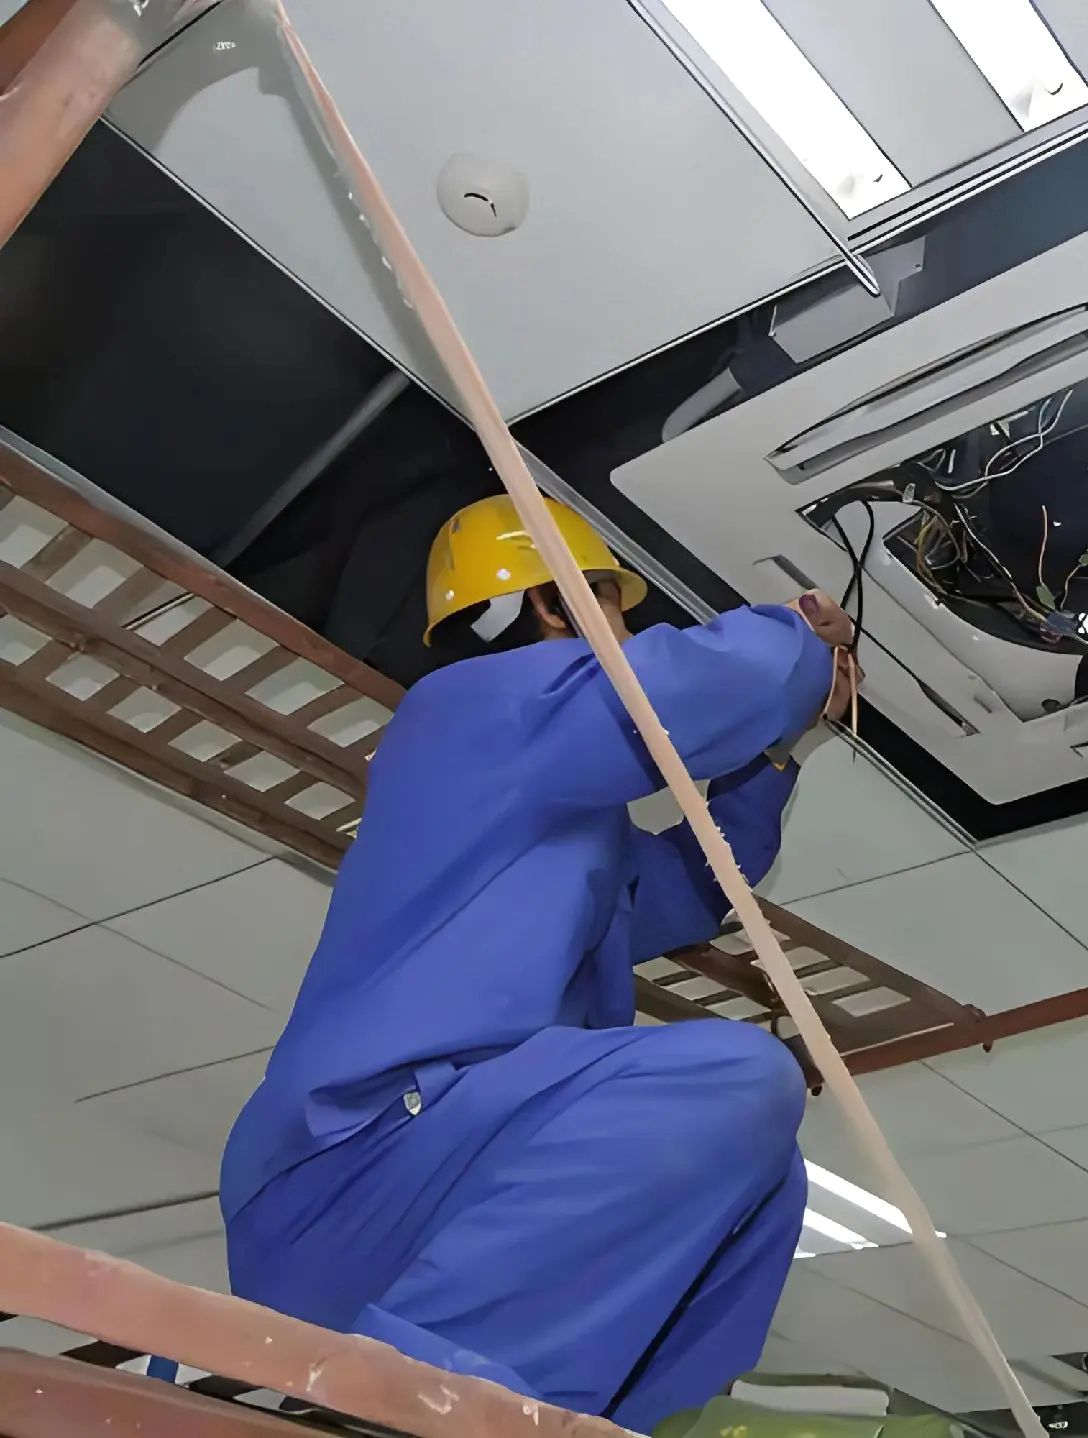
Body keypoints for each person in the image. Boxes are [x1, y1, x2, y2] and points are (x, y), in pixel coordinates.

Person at [220, 494, 858, 1430]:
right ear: (556, 606)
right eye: (616, 609)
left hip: (445, 1197)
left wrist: (777, 754)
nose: (628, 635)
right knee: (736, 1076)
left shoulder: (556, 817)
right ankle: (429, 1403)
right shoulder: (462, 709)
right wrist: (795, 638)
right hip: (354, 1167)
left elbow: (690, 886)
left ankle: (586, 1419)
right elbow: (687, 690)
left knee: (761, 1163)